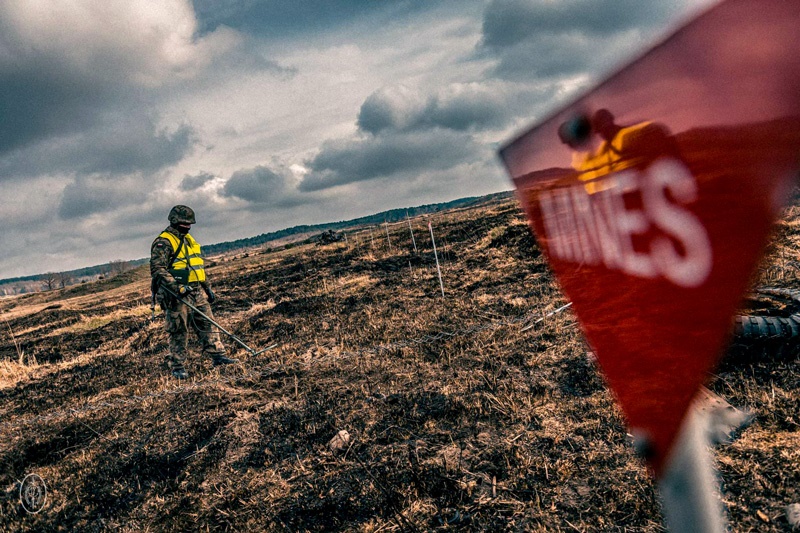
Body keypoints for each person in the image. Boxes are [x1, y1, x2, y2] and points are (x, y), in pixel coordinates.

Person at [150, 205, 238, 379]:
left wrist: (207, 287)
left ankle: (218, 356)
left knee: (208, 324)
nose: (188, 226)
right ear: (175, 221)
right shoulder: (164, 242)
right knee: (178, 329)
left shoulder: (189, 240)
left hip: (196, 291)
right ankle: (177, 366)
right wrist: (178, 287)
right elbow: (158, 269)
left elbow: (196, 266)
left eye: (190, 223)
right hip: (176, 295)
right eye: (185, 223)